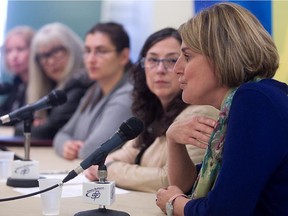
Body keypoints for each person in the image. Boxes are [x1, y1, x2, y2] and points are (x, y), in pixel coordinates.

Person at [156, 2, 288, 216]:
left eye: (187, 57)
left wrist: (174, 204)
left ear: (221, 56)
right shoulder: (248, 101)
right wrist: (173, 141)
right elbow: (192, 187)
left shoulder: (254, 101)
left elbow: (222, 211)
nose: (177, 69)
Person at [84, 28, 219, 193]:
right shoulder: (155, 112)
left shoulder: (200, 113)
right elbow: (124, 154)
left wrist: (108, 171)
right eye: (153, 60)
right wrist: (109, 166)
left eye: (171, 60)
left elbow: (172, 180)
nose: (160, 69)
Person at [53, 22, 134, 160]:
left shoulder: (130, 94)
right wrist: (66, 145)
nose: (91, 59)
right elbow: (61, 134)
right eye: (87, 51)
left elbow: (94, 151)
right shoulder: (93, 90)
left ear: (124, 56)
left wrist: (79, 149)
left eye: (101, 51)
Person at [14, 22, 93, 139]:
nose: (50, 62)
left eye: (56, 52)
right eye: (44, 56)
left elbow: (49, 131)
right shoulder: (51, 86)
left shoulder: (79, 84)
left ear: (73, 49)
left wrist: (22, 128)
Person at [0, 26, 35, 117]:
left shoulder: (45, 85)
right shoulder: (17, 83)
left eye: (20, 49)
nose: (14, 56)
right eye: (8, 51)